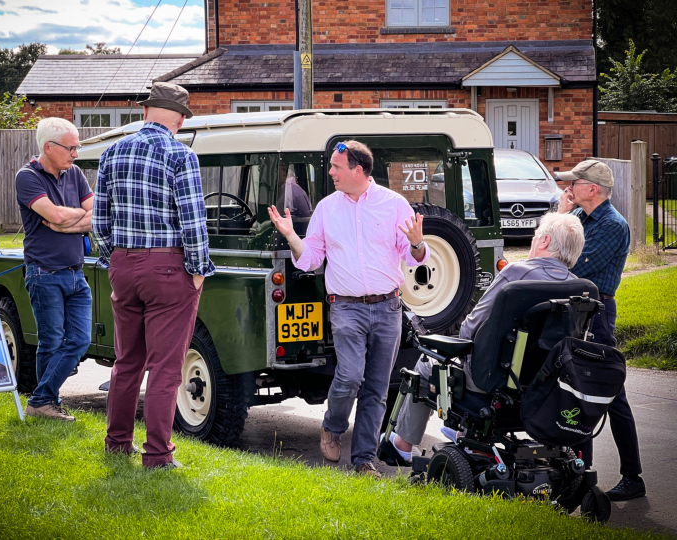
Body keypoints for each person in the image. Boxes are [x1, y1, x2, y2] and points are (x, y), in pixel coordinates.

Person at [268, 140, 430, 478]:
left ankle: (363, 460)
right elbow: (311, 258)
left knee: (376, 387)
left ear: (358, 170)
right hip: (346, 308)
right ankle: (332, 425)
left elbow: (415, 257)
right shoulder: (327, 208)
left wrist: (417, 242)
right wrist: (291, 236)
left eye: (336, 167)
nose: (331, 173)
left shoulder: (394, 204)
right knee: (350, 375)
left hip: (388, 307)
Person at [386, 212, 586, 463]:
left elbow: (471, 327)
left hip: (495, 382)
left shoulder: (518, 275)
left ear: (544, 241)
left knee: (428, 363)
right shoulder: (580, 287)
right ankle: (461, 432)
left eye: (535, 236)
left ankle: (402, 445)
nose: (534, 241)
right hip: (546, 386)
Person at [92, 82, 215, 470]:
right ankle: (158, 455)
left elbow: (98, 222)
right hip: (168, 267)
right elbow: (194, 223)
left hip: (123, 266)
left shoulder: (111, 152)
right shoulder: (180, 155)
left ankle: (117, 445)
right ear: (179, 119)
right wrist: (198, 270)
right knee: (165, 366)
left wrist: (116, 258)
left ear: (146, 112)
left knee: (127, 361)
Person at [556, 159, 646, 501]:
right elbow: (548, 247)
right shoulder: (578, 217)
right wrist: (563, 214)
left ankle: (632, 477)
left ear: (591, 189)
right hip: (573, 309)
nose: (568, 188)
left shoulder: (612, 225)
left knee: (610, 393)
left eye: (574, 183)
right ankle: (580, 472)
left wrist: (560, 232)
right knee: (573, 389)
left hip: (597, 312)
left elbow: (570, 264)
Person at [15, 117, 94, 422]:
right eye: (71, 147)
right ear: (49, 147)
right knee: (51, 342)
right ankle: (47, 404)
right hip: (45, 273)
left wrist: (66, 223)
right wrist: (74, 219)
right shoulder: (27, 177)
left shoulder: (74, 174)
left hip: (76, 273)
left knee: (79, 341)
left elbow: (97, 213)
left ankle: (39, 401)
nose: (76, 153)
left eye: (77, 146)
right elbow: (54, 216)